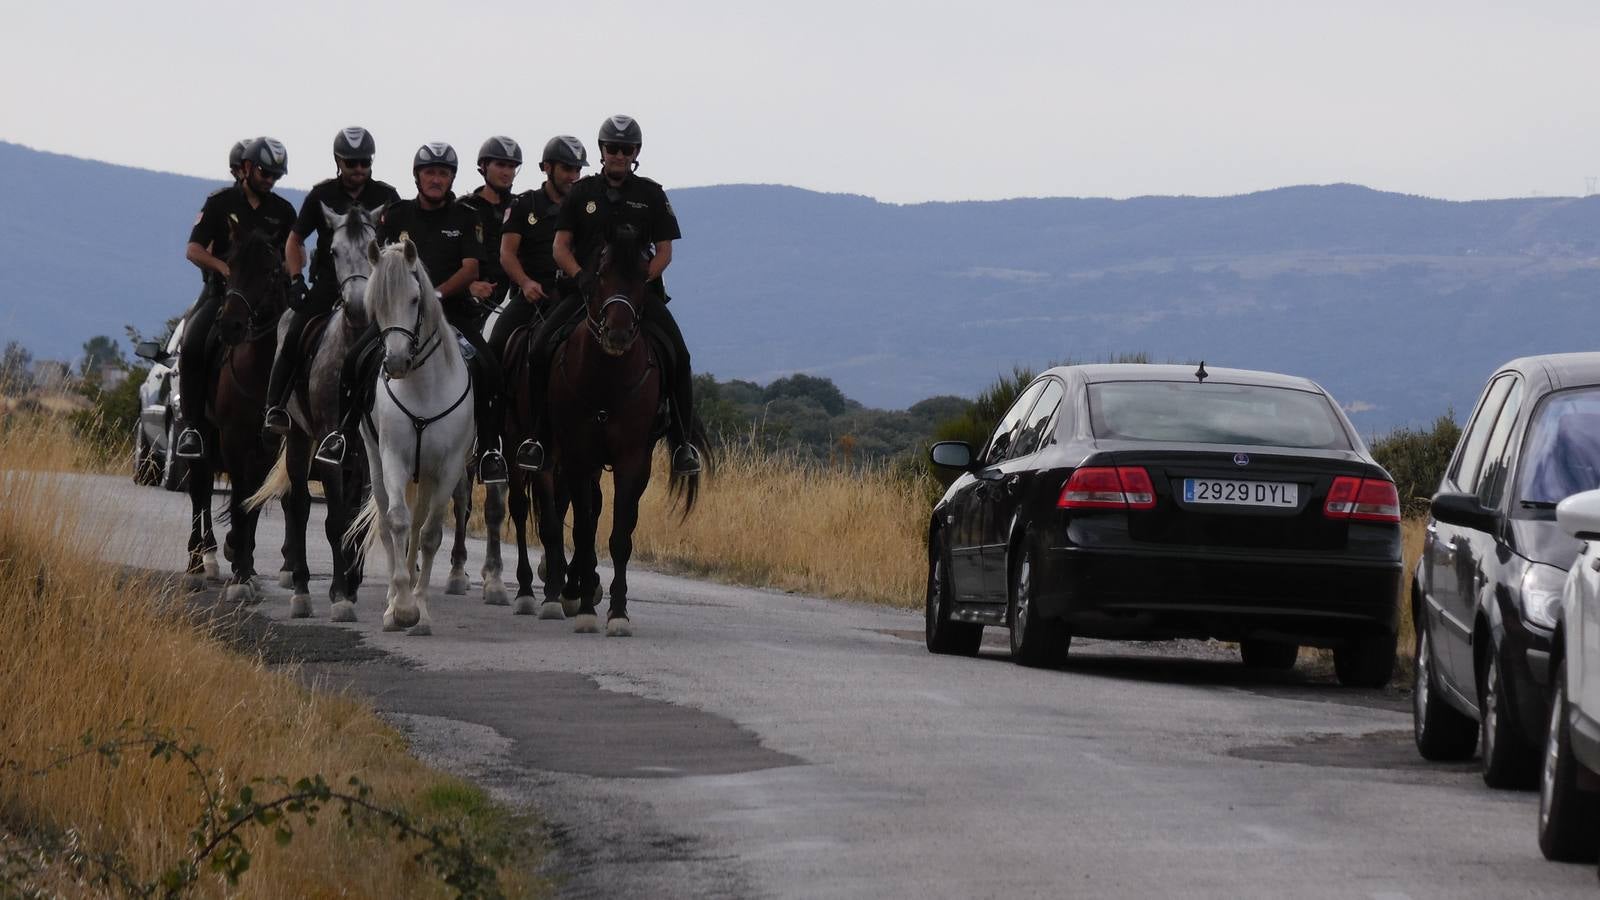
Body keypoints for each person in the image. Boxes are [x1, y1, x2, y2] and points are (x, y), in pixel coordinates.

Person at [313, 142, 509, 485]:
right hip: (399, 316)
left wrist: (437, 293)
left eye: (443, 173)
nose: (436, 179)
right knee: (354, 361)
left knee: (489, 367)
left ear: (452, 179)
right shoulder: (397, 214)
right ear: (417, 176)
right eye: (430, 172)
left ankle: (490, 449)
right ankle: (342, 435)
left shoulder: (465, 217)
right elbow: (380, 261)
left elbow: (470, 268)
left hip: (450, 313)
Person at [520, 115, 700, 475]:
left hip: (637, 296)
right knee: (540, 348)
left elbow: (664, 251)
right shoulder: (582, 192)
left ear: (636, 153)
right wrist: (581, 277)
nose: (618, 154)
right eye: (611, 148)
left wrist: (640, 283)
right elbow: (560, 246)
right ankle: (537, 438)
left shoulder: (651, 194)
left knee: (679, 355)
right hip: (586, 292)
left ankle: (682, 443)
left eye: (626, 149)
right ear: (602, 151)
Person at [262, 127, 401, 435]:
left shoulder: (387, 196)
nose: (359, 170)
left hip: (375, 283)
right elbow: (294, 240)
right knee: (295, 332)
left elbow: (401, 243)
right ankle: (275, 406)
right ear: (339, 161)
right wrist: (296, 279)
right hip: (330, 281)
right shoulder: (321, 195)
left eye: (364, 162)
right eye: (352, 163)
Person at [172, 137, 296, 459]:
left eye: (275, 176)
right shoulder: (220, 202)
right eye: (265, 173)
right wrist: (224, 269)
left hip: (268, 299)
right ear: (245, 168)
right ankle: (192, 427)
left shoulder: (283, 211)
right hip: (224, 293)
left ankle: (294, 420)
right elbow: (193, 249)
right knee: (194, 343)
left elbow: (296, 251)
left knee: (302, 342)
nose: (270, 180)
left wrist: (291, 266)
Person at [494, 135, 587, 467]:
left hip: (575, 296)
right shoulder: (523, 205)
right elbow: (507, 254)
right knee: (493, 351)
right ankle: (492, 439)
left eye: (577, 169)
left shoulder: (587, 205)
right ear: (547, 168)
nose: (573, 176)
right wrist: (525, 282)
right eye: (566, 168)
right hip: (533, 295)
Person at [458, 136, 522, 310]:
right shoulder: (462, 209)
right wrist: (467, 287)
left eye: (512, 166)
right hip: (470, 298)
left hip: (516, 294)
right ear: (484, 166)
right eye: (500, 165)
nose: (507, 172)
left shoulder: (523, 207)